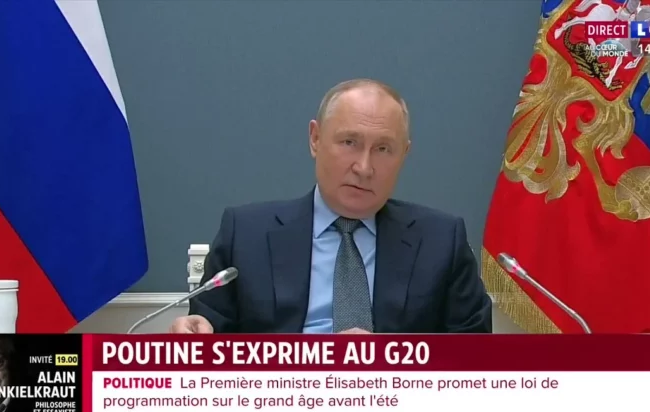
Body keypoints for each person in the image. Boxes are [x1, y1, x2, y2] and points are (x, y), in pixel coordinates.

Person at [170, 78, 492, 334]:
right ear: (315, 138)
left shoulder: (440, 241)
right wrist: (195, 334)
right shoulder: (245, 234)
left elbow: (476, 358)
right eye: (349, 142)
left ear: (404, 154)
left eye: (383, 149)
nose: (364, 168)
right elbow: (208, 336)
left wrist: (387, 360)